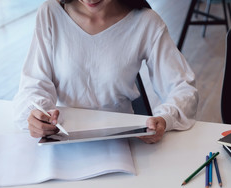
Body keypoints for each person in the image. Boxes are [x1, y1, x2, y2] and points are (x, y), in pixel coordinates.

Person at [13, 0, 198, 142]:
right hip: (62, 138)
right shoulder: (50, 13)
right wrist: (37, 114)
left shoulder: (146, 22)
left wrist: (165, 118)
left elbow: (182, 88)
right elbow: (33, 84)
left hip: (123, 139)